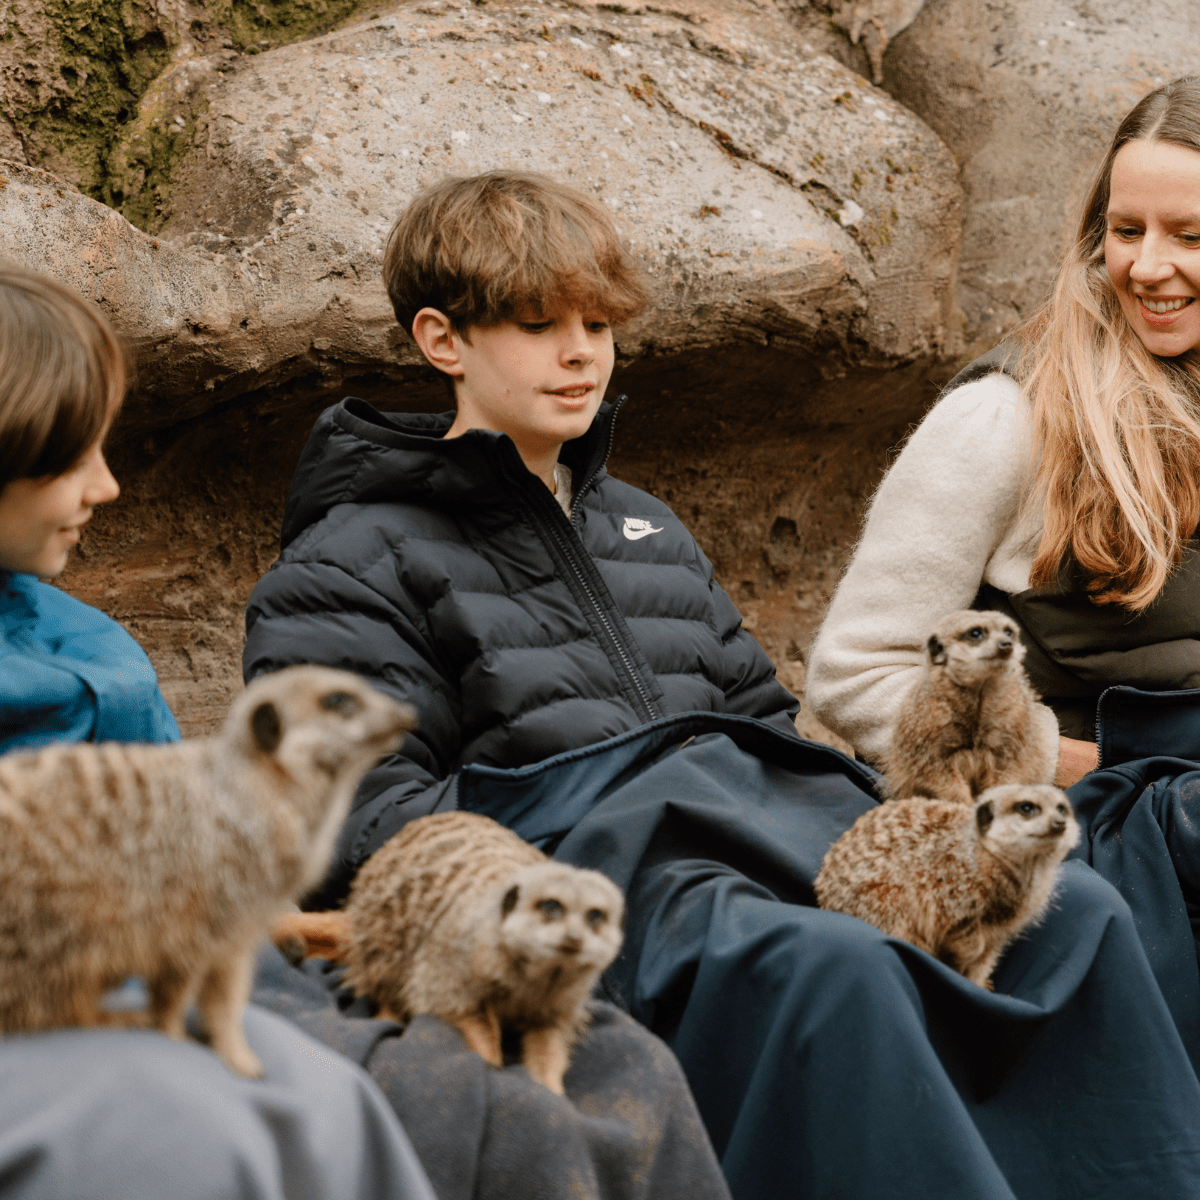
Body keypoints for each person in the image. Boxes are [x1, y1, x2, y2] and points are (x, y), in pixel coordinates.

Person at [245, 170, 1200, 1200]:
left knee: (1076, 911)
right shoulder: (344, 564)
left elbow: (765, 735)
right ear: (443, 341)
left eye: (598, 325)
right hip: (597, 908)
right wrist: (621, 808)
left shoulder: (646, 530)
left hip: (773, 860)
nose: (580, 353)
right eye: (536, 325)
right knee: (836, 971)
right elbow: (355, 830)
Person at [0, 265, 437, 1200]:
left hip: (186, 967)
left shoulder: (92, 643)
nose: (108, 487)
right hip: (59, 996)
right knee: (250, 1115)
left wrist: (283, 920)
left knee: (529, 1058)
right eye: (70, 457)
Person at [807, 76, 1200, 1039]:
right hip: (1103, 824)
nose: (1149, 267)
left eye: (1191, 236)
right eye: (1126, 229)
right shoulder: (1006, 420)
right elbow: (855, 670)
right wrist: (1041, 759)